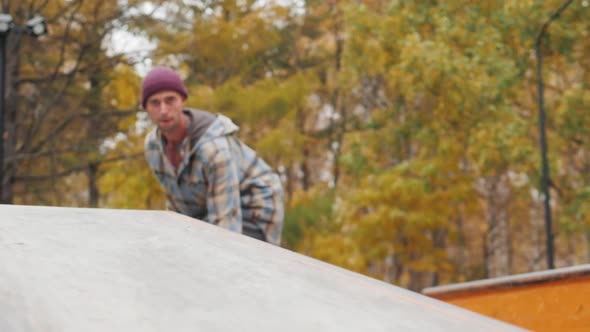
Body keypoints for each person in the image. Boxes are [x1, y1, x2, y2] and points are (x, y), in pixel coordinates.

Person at [141, 66, 284, 245]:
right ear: (145, 107)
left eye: (170, 100)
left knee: (231, 255)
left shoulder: (213, 148)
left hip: (253, 202)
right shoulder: (153, 147)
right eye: (155, 103)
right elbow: (176, 204)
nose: (163, 110)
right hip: (207, 206)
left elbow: (226, 221)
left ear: (183, 101)